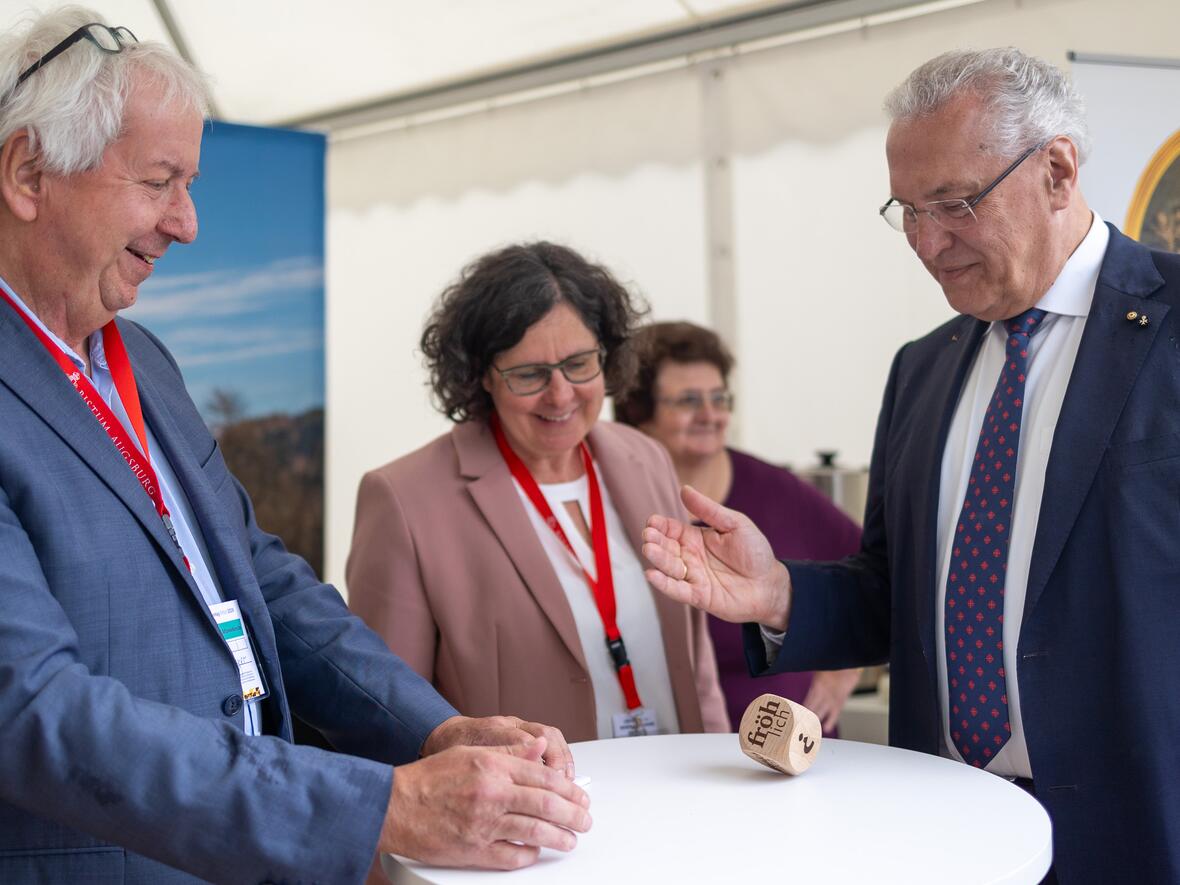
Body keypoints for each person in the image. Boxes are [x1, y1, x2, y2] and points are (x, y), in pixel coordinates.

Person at [0, 10, 589, 884]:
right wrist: (381, 806)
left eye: (189, 184)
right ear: (28, 172)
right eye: (160, 180)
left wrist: (429, 726)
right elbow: (35, 708)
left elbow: (255, 573)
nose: (187, 223)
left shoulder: (143, 362)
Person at [642, 48, 1180, 884]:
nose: (928, 243)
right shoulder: (923, 367)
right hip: (940, 826)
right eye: (908, 210)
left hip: (1143, 830)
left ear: (1059, 171)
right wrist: (779, 593)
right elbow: (901, 588)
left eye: (956, 204)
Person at [347, 242, 729, 743]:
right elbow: (386, 712)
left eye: (579, 364)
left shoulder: (645, 458)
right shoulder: (406, 499)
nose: (562, 394)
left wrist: (724, 761)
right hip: (531, 813)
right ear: (482, 376)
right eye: (530, 374)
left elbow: (695, 661)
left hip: (679, 791)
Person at [614, 320, 862, 733]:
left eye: (719, 398)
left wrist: (844, 671)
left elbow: (874, 574)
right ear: (640, 412)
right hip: (663, 748)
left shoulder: (777, 490)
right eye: (689, 401)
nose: (710, 415)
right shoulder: (610, 495)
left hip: (781, 753)